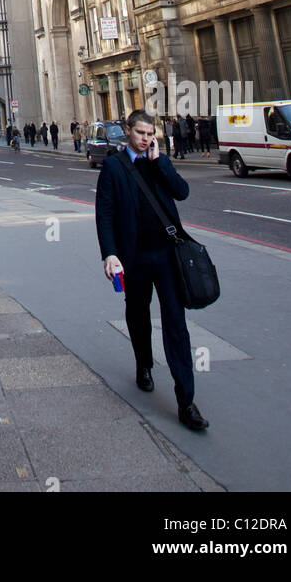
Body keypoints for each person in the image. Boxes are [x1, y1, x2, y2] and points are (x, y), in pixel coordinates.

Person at [95, 109, 208, 433]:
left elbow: (181, 191)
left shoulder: (159, 161)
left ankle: (186, 401)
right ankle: (144, 363)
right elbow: (104, 213)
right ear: (128, 131)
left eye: (150, 134)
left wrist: (161, 163)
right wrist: (111, 255)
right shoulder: (114, 166)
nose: (146, 139)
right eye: (141, 133)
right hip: (135, 259)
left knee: (176, 323)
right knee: (138, 314)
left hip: (167, 257)